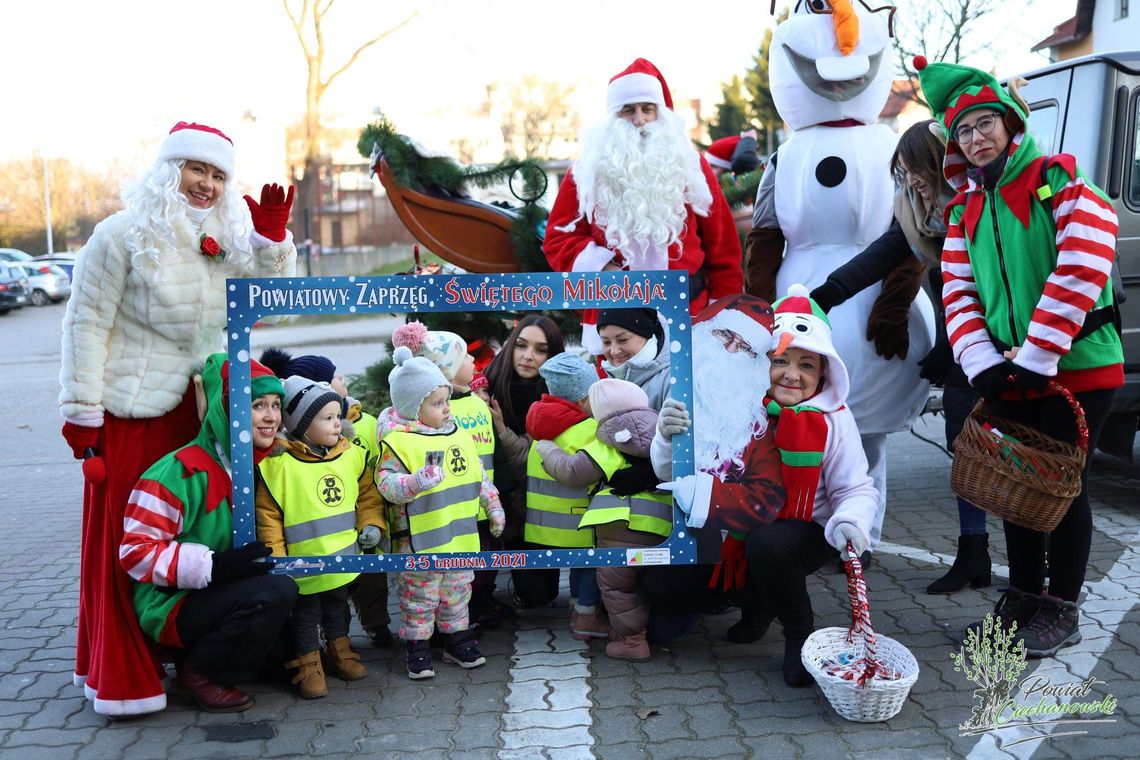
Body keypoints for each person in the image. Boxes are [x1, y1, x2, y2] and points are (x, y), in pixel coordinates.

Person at [59, 121, 296, 716]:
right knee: (131, 542)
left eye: (218, 175)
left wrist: (270, 239)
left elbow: (278, 310)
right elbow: (85, 326)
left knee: (200, 534)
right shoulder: (118, 236)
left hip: (200, 415)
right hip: (133, 414)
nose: (207, 185)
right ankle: (126, 672)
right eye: (197, 170)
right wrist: (82, 416)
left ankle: (201, 656)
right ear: (170, 171)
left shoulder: (225, 238)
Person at [916, 57, 1122, 656]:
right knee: (1015, 484)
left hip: (1077, 367)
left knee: (1061, 487)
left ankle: (1062, 607)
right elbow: (958, 292)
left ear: (1009, 123)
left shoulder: (1058, 180)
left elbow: (1081, 265)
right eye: (964, 131)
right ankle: (1024, 596)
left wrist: (1036, 356)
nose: (976, 139)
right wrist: (982, 362)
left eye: (985, 124)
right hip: (1010, 369)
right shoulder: (965, 210)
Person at [745, 4, 934, 565]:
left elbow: (908, 233)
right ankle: (798, 528)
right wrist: (758, 306)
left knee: (865, 433)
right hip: (797, 306)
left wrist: (896, 305)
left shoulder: (890, 148)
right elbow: (767, 233)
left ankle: (861, 536)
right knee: (786, 428)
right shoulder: (785, 155)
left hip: (870, 304)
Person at [809, 119, 992, 592]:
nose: (910, 179)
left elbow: (986, 286)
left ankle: (1031, 571)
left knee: (1009, 452)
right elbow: (886, 252)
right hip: (965, 338)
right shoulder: (920, 212)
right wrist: (826, 294)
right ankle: (975, 551)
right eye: (903, 170)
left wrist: (953, 344)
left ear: (939, 162)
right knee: (964, 439)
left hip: (1003, 338)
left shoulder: (978, 206)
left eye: (916, 168)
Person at [119, 355, 298, 713]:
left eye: (275, 405)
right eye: (257, 405)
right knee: (276, 590)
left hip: (217, 591)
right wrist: (213, 566)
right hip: (168, 602)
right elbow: (135, 553)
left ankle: (249, 660)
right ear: (224, 409)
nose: (270, 417)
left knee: (282, 593)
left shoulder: (257, 462)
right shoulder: (179, 471)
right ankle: (198, 672)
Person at [543, 58, 743, 355]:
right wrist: (604, 266)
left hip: (690, 317)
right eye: (628, 110)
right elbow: (558, 239)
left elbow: (723, 249)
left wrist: (724, 316)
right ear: (613, 115)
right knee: (618, 402)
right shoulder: (586, 170)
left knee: (686, 401)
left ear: (660, 113)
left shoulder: (690, 165)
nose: (639, 120)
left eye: (647, 109)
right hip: (613, 326)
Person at [649, 295, 787, 643]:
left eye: (743, 348)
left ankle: (750, 600)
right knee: (663, 626)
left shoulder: (754, 421)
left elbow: (769, 496)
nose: (728, 352)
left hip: (727, 542)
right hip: (666, 524)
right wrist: (664, 439)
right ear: (706, 332)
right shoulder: (673, 384)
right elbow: (656, 471)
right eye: (725, 336)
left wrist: (704, 493)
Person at [376, 347, 504, 679]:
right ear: (412, 408)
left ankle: (456, 639)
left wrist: (493, 506)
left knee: (457, 593)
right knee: (419, 598)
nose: (446, 408)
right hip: (420, 542)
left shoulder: (458, 434)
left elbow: (479, 477)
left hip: (460, 538)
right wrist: (415, 482)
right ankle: (417, 648)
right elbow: (386, 485)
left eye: (446, 401)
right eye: (436, 404)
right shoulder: (398, 442)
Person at [256, 376, 386, 698]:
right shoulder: (279, 465)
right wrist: (278, 562)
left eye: (338, 417)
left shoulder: (350, 455)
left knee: (337, 609)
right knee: (305, 616)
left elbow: (367, 494)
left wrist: (372, 524)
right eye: (327, 418)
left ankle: (339, 651)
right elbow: (269, 517)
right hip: (302, 568)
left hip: (342, 559)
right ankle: (308, 664)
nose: (337, 425)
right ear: (300, 425)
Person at [391, 321, 509, 630]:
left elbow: (478, 466)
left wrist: (492, 503)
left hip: (469, 516)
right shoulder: (414, 425)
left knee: (468, 583)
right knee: (426, 593)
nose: (473, 360)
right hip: (431, 526)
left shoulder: (470, 410)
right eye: (465, 356)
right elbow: (390, 480)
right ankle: (423, 641)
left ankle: (464, 628)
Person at [576, 379, 671, 661]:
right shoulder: (662, 432)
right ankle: (638, 630)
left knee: (617, 587)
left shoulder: (602, 440)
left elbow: (572, 472)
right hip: (661, 527)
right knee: (642, 583)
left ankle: (632, 642)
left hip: (618, 528)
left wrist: (546, 450)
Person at [525, 352, 624, 618]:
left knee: (579, 563)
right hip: (578, 523)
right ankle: (585, 614)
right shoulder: (589, 430)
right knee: (590, 564)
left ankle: (577, 606)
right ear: (583, 399)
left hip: (542, 527)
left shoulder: (539, 428)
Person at [483, 315, 564, 548]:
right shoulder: (485, 389)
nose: (528, 356)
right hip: (491, 511)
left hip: (545, 514)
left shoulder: (560, 399)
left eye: (541, 350)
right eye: (521, 345)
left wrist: (503, 431)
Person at [597, 308, 670, 411]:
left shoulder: (673, 378)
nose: (614, 351)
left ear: (647, 336)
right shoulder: (606, 382)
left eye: (623, 340)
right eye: (606, 342)